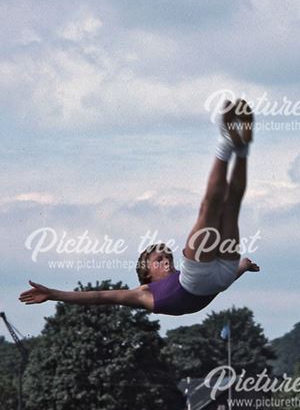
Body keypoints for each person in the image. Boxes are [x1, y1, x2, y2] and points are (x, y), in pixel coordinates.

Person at [20, 99, 260, 316]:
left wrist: (245, 266)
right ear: (147, 274)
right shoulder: (143, 293)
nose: (166, 260)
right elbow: (100, 296)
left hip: (208, 278)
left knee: (225, 208)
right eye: (158, 260)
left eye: (167, 257)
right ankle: (231, 145)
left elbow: (214, 276)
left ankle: (238, 148)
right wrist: (53, 294)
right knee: (222, 209)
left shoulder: (180, 274)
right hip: (221, 276)